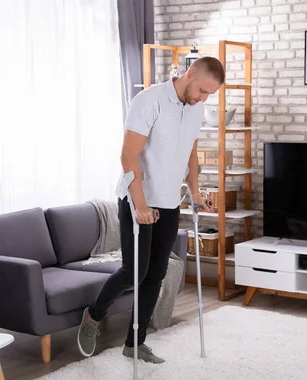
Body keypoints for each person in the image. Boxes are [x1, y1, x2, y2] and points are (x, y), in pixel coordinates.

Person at [77, 56, 225, 363]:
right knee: (135, 270)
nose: (203, 98)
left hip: (170, 201)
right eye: (202, 90)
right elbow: (128, 157)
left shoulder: (196, 108)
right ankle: (92, 316)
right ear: (190, 73)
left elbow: (191, 154)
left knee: (156, 274)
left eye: (210, 94)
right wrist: (141, 205)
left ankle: (135, 343)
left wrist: (195, 193)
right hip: (137, 199)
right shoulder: (149, 101)